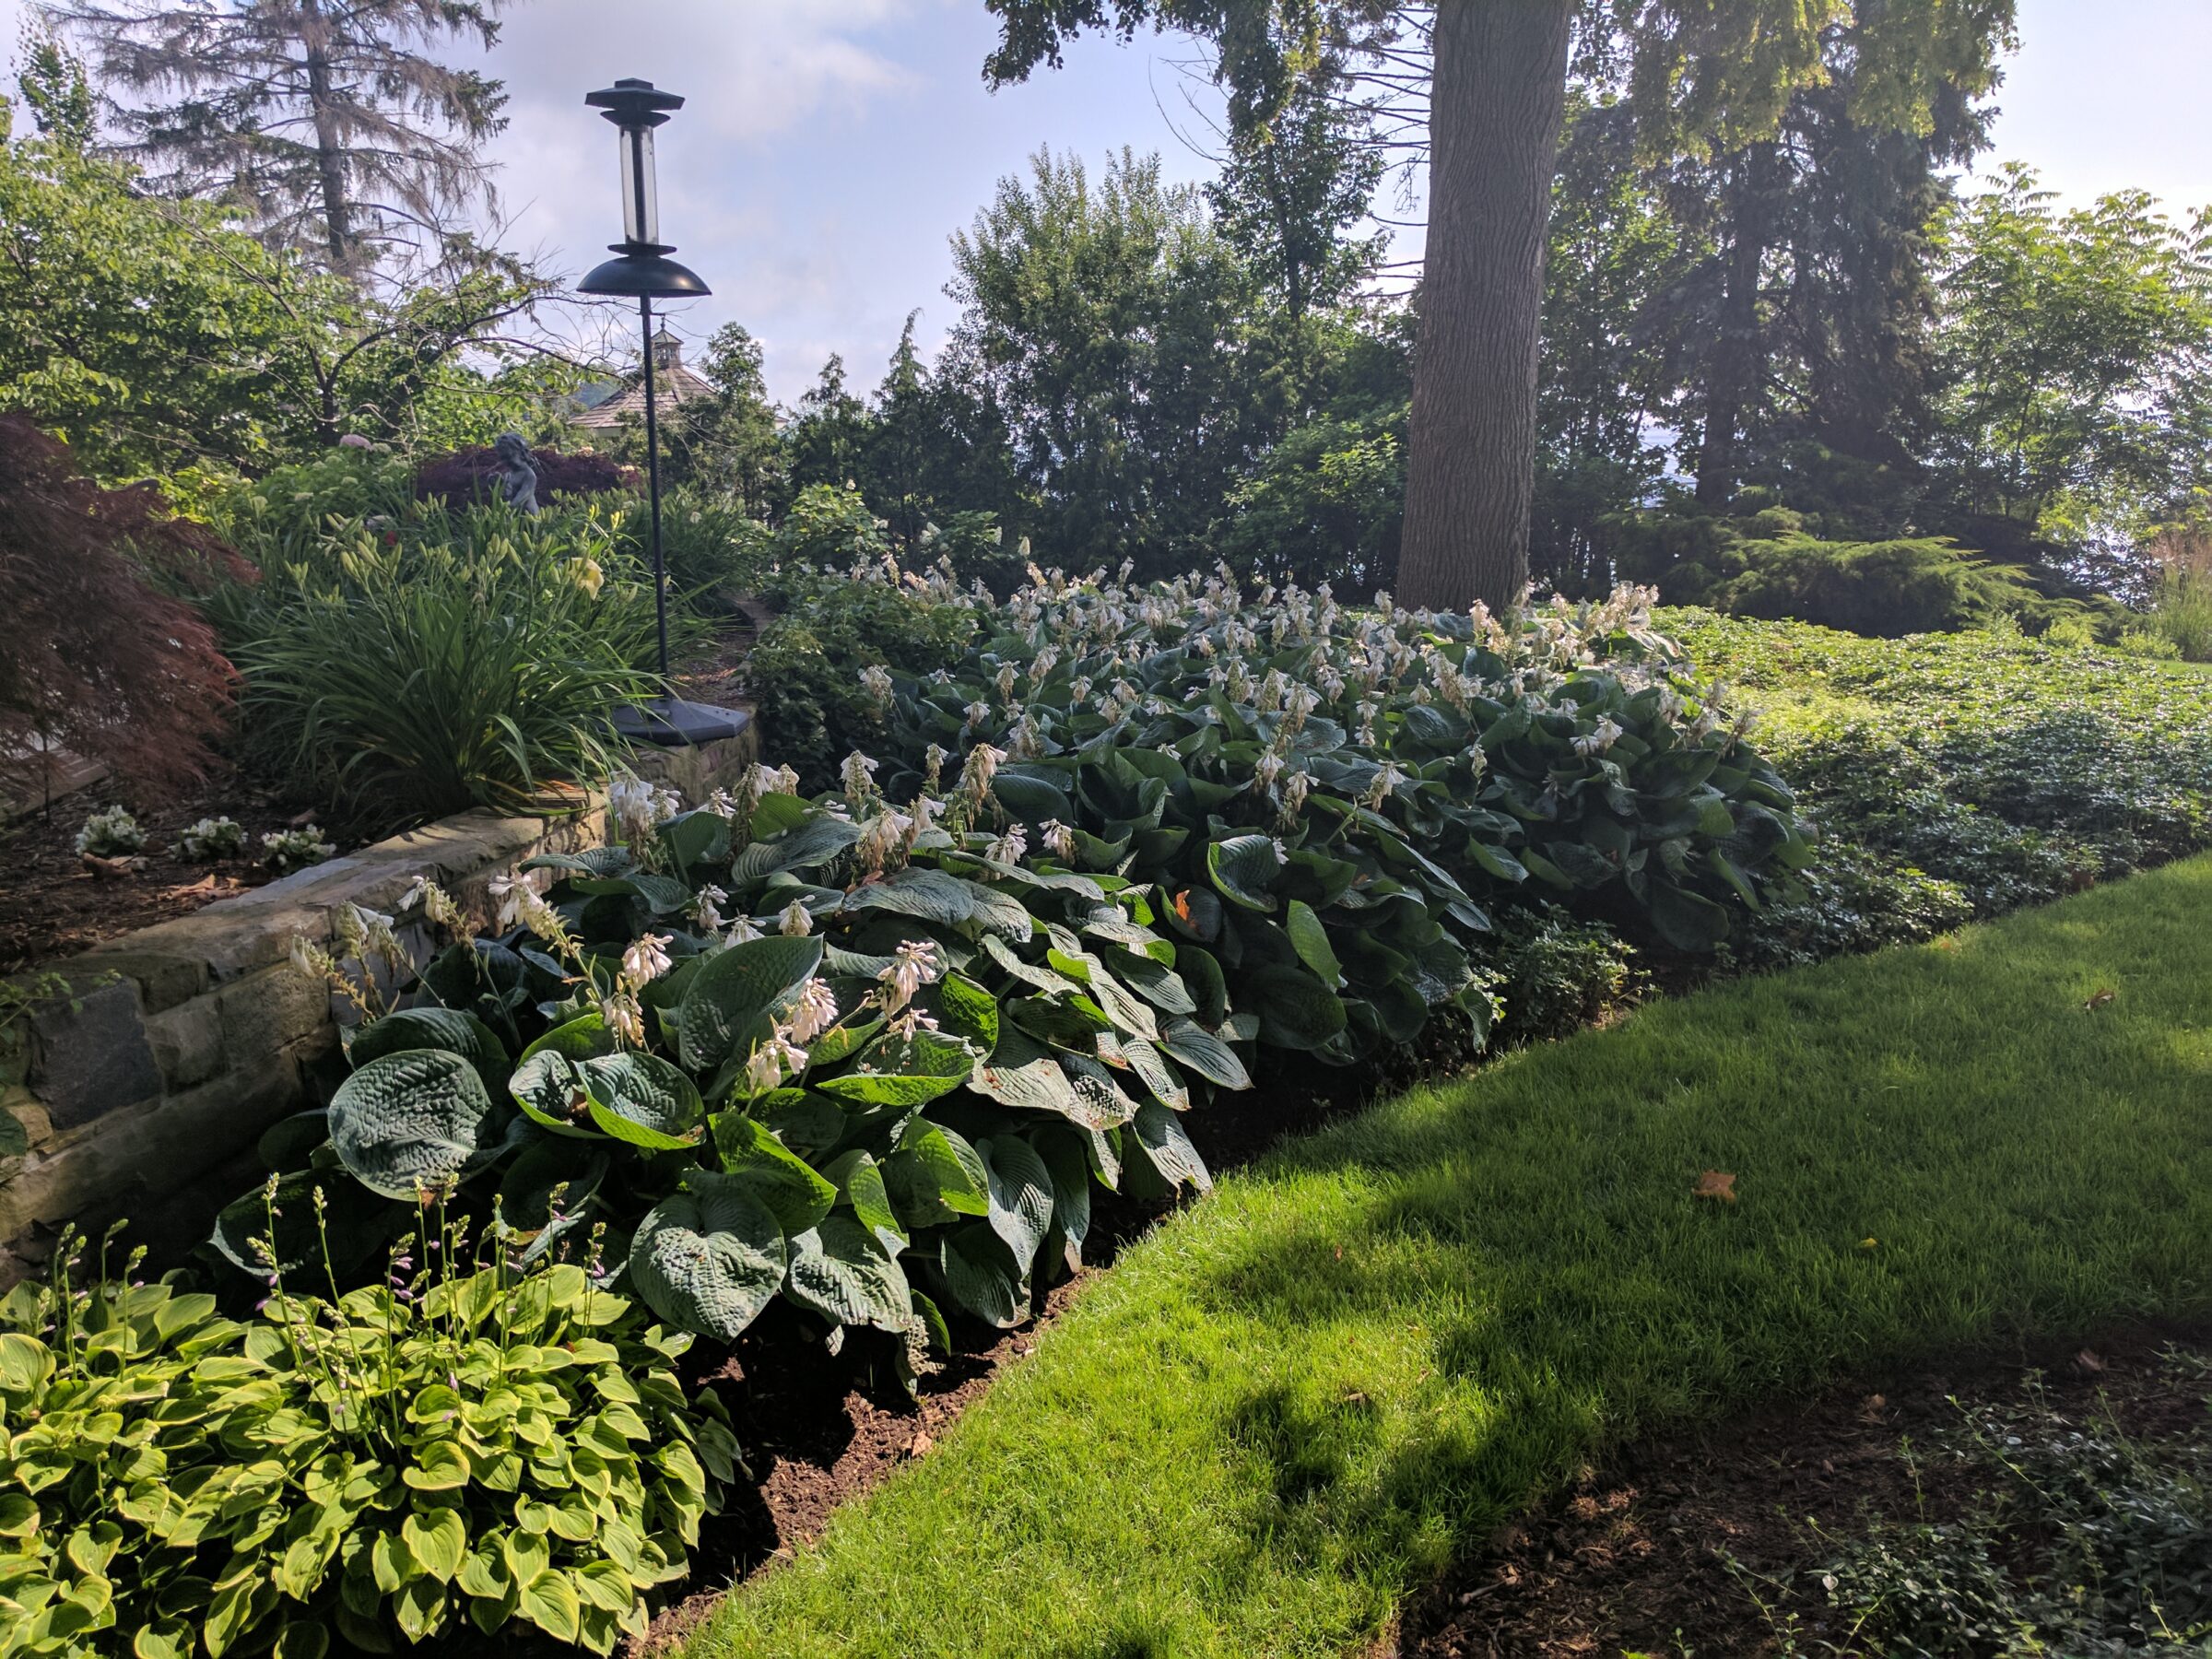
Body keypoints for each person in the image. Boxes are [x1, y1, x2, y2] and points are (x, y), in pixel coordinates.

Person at [492, 432, 540, 515]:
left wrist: (507, 511)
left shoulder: (529, 475)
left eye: (509, 457)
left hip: (529, 517)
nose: (505, 462)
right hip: (515, 517)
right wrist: (497, 483)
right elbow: (506, 495)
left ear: (521, 454)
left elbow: (522, 497)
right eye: (503, 459)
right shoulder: (509, 474)